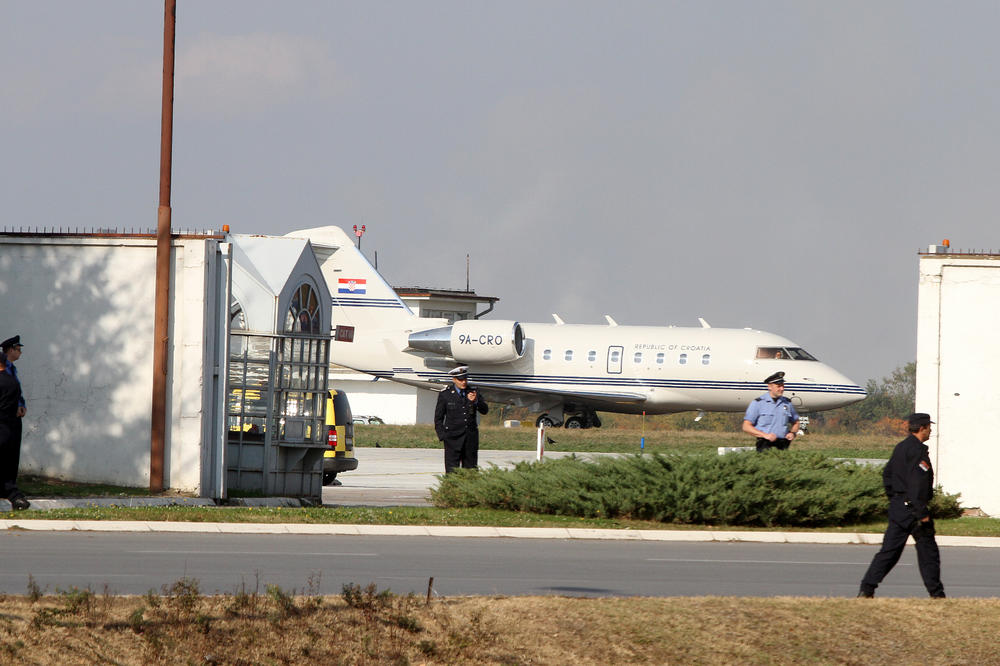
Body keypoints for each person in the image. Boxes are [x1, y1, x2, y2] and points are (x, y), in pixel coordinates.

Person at [858, 412, 945, 598]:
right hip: (914, 511)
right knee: (928, 554)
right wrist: (922, 513)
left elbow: (887, 475)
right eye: (929, 427)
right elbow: (917, 485)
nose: (930, 430)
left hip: (899, 508)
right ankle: (937, 595)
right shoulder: (917, 451)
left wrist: (896, 500)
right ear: (922, 428)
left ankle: (867, 588)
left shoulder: (901, 447)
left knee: (888, 552)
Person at [434, 365, 488, 473]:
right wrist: (443, 436)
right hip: (452, 439)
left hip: (470, 439)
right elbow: (438, 418)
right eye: (460, 380)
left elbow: (485, 410)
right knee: (452, 471)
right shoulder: (446, 394)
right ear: (454, 380)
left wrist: (475, 401)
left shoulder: (473, 392)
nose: (463, 382)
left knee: (470, 472)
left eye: (465, 379)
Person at [1, 335, 28, 510]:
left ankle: (9, 488)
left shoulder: (12, 369)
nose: (20, 353)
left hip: (12, 419)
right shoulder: (6, 371)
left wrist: (21, 405)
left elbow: (17, 392)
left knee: (11, 455)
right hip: (4, 420)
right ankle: (9, 490)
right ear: (10, 350)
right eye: (18, 349)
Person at [742, 371, 800, 451]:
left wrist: (792, 433)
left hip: (783, 445)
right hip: (765, 444)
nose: (782, 389)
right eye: (778, 386)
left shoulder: (787, 403)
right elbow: (746, 426)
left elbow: (796, 422)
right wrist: (764, 435)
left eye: (783, 386)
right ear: (770, 386)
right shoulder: (758, 403)